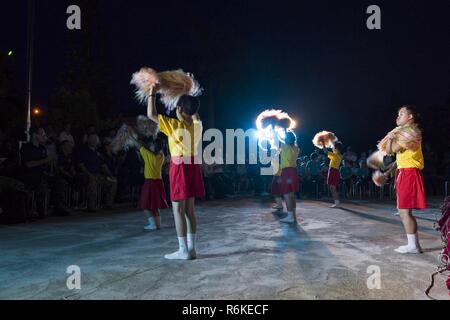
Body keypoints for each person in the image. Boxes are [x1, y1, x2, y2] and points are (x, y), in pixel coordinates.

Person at [148, 85, 205, 260]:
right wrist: (189, 92)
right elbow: (195, 113)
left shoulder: (173, 125)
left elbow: (151, 114)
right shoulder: (198, 126)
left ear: (179, 109)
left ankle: (183, 250)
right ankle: (192, 249)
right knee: (189, 211)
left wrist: (152, 92)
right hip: (193, 166)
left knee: (178, 210)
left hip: (180, 167)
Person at [385, 105, 426, 254]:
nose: (397, 116)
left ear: (410, 117)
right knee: (403, 211)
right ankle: (413, 244)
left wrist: (390, 137)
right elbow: (397, 155)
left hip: (409, 173)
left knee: (404, 212)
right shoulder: (406, 132)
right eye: (398, 113)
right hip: (405, 172)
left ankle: (413, 246)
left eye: (401, 113)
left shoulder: (410, 132)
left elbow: (391, 150)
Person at [76, 134, 117, 212]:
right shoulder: (83, 151)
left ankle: (108, 204)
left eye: (96, 139)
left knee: (113, 181)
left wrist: (110, 175)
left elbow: (103, 166)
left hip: (98, 175)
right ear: (88, 140)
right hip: (85, 175)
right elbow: (81, 166)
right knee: (93, 181)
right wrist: (89, 174)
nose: (94, 141)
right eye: (92, 139)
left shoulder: (98, 153)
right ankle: (91, 206)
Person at [271, 131, 301, 223]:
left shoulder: (284, 146)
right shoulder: (297, 148)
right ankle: (293, 216)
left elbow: (276, 139)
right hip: (293, 171)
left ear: (287, 139)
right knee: (292, 195)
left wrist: (273, 128)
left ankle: (290, 217)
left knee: (287, 194)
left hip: (286, 171)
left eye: (285, 137)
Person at [322, 141, 344, 208]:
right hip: (332, 171)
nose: (333, 148)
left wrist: (323, 144)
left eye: (334, 148)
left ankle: (337, 203)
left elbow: (325, 151)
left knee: (333, 188)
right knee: (332, 188)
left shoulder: (336, 155)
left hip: (333, 171)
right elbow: (328, 152)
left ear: (337, 148)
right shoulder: (338, 155)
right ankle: (336, 202)